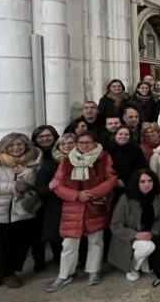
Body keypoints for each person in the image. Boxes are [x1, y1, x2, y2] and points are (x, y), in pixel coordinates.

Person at [47, 132, 117, 292]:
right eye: (81, 142)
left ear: (94, 143)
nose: (84, 146)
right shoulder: (67, 159)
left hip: (95, 204)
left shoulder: (103, 157)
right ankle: (64, 274)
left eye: (87, 142)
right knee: (69, 243)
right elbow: (57, 183)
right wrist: (76, 195)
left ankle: (93, 271)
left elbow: (111, 179)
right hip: (73, 206)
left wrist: (91, 194)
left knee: (96, 241)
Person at [0, 133, 42, 288]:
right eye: (11, 145)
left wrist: (26, 173)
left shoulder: (33, 161)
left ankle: (7, 271)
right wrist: (13, 187)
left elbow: (34, 182)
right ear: (4, 147)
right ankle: (4, 273)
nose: (16, 148)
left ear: (26, 145)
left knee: (19, 244)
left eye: (19, 144)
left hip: (21, 210)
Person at [108, 170, 160, 282]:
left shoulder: (157, 196)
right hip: (128, 238)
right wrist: (135, 235)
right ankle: (132, 268)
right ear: (136, 183)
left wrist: (153, 232)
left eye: (150, 181)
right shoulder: (126, 199)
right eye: (142, 181)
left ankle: (143, 262)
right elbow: (115, 225)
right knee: (148, 247)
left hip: (149, 234)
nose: (147, 184)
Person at [35, 132, 75, 269]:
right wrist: (49, 188)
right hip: (55, 203)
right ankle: (59, 258)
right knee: (56, 233)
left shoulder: (84, 159)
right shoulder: (50, 163)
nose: (67, 146)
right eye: (63, 144)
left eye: (70, 143)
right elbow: (40, 185)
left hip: (76, 202)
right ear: (57, 146)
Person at [30, 125, 60, 272]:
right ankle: (38, 259)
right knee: (36, 231)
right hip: (35, 196)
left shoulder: (58, 153)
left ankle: (57, 255)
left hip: (53, 196)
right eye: (40, 136)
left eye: (48, 135)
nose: (45, 139)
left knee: (55, 227)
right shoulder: (30, 154)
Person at [106, 125, 148, 202]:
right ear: (115, 135)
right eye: (120, 134)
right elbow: (105, 168)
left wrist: (126, 181)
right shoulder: (108, 149)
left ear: (130, 137)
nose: (123, 136)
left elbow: (141, 168)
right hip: (111, 186)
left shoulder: (136, 149)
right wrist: (115, 181)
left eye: (126, 134)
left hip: (131, 186)